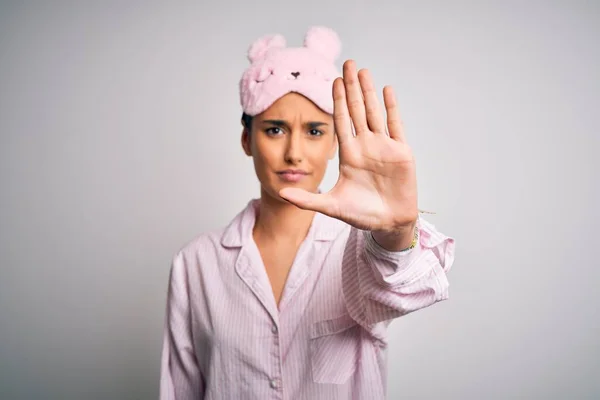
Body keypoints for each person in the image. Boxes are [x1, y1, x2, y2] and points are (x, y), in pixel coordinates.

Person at [159, 26, 455, 400]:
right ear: (247, 139)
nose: (294, 152)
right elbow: (180, 390)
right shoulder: (196, 263)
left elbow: (405, 287)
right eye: (275, 129)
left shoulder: (360, 250)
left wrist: (395, 231)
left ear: (334, 142)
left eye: (315, 131)